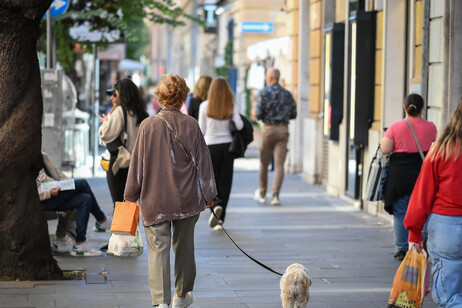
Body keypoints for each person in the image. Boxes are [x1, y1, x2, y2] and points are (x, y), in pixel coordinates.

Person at [124, 74, 217, 308]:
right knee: (184, 246)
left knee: (157, 249)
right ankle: (182, 296)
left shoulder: (147, 126)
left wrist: (129, 196)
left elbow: (137, 166)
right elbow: (204, 164)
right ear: (183, 97)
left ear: (160, 96)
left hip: (154, 200)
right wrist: (209, 196)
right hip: (187, 198)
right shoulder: (191, 125)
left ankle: (161, 302)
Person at [404, 98, 462, 307]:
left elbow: (423, 194)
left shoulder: (441, 150)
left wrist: (414, 231)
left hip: (447, 226)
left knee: (450, 297)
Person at [380, 93, 437, 261]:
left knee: (400, 212)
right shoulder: (431, 127)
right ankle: (420, 245)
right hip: (422, 174)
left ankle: (402, 249)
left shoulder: (395, 127)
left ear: (405, 108)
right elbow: (434, 147)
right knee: (423, 210)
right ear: (421, 109)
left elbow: (385, 149)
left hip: (400, 176)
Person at [37, 152, 111, 257]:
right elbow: (29, 191)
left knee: (85, 198)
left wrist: (69, 184)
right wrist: (49, 192)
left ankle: (80, 244)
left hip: (55, 187)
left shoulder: (42, 155)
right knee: (82, 183)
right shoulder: (24, 160)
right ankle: (101, 220)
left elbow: (57, 175)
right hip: (46, 196)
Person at [198, 77, 243, 229]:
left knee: (212, 181)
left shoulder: (204, 106)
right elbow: (239, 125)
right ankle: (220, 217)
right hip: (228, 147)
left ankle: (214, 207)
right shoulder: (230, 105)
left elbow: (201, 130)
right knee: (225, 181)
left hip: (211, 146)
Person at [98, 78, 149, 206]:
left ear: (123, 94)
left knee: (120, 205)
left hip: (121, 164)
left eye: (115, 93)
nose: (112, 97)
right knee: (131, 205)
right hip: (138, 166)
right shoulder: (142, 113)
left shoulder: (121, 111)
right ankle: (132, 226)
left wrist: (105, 123)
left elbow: (105, 134)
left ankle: (122, 227)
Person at [254, 67, 297, 205]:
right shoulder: (287, 94)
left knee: (264, 163)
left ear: (271, 78)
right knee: (279, 165)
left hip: (268, 129)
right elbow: (294, 114)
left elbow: (258, 114)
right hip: (283, 130)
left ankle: (262, 193)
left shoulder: (263, 93)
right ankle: (275, 195)